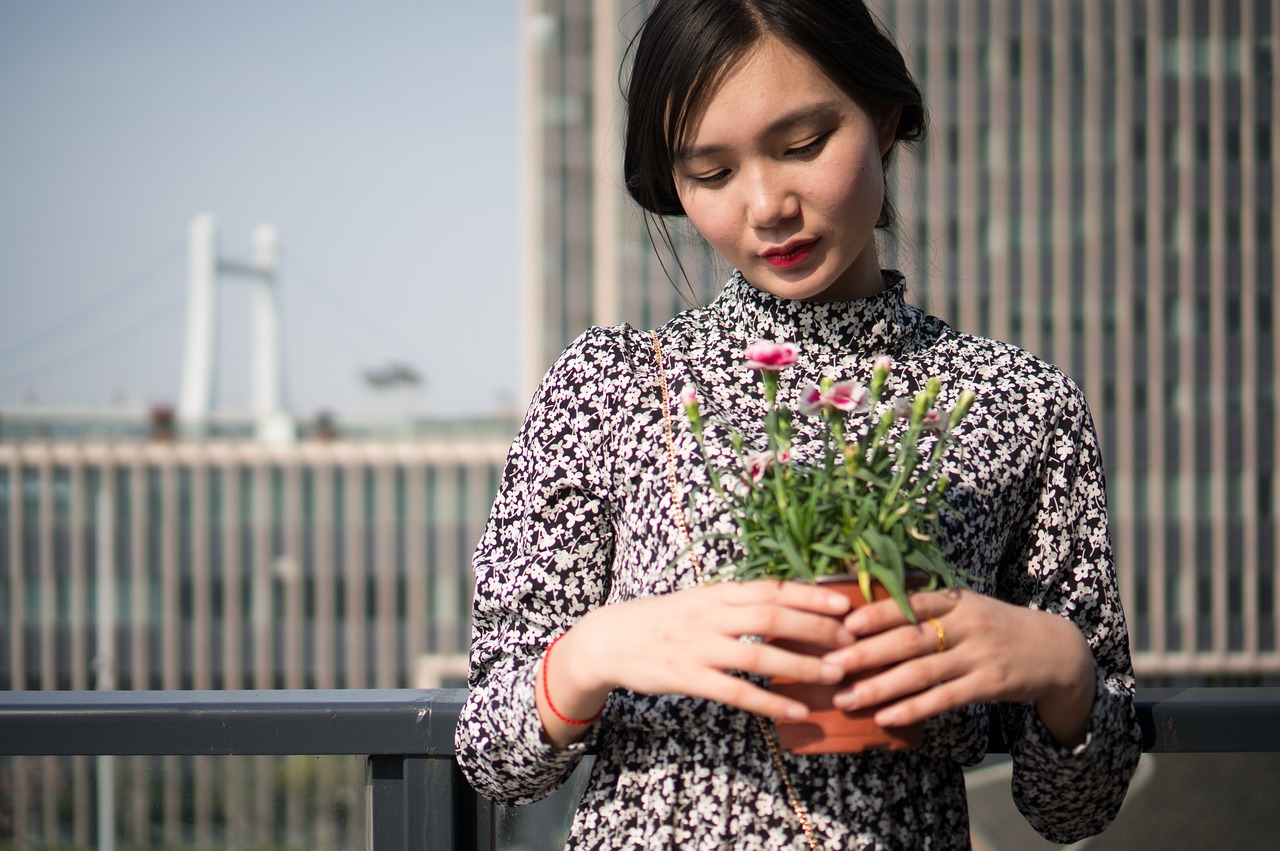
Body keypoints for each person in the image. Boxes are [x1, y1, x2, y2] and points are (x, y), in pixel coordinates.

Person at [455, 0, 1142, 847]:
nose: (766, 204)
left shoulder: (1020, 401)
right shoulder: (611, 384)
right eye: (711, 174)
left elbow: (1075, 808)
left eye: (802, 146)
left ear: (883, 117)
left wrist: (1065, 669)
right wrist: (590, 654)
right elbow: (491, 752)